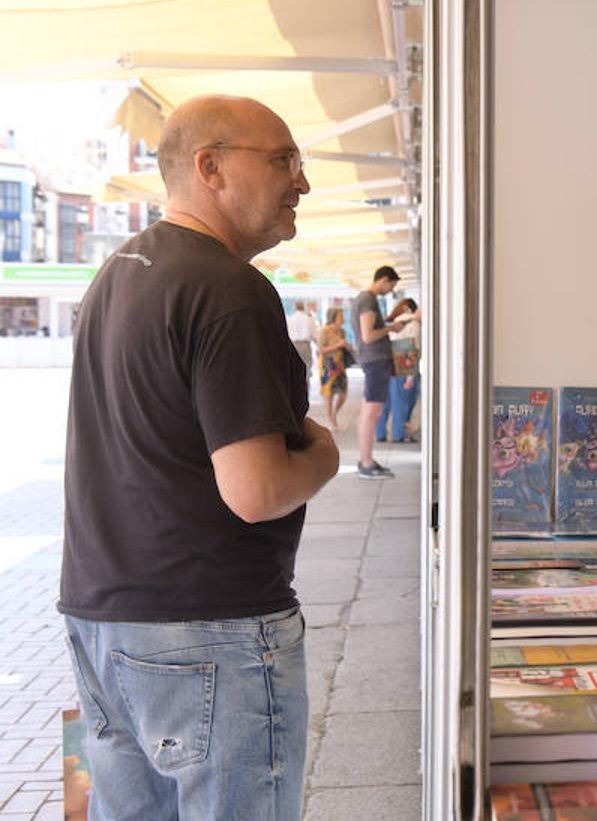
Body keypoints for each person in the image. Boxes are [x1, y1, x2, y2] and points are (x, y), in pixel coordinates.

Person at [58, 95, 340, 820]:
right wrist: (328, 453)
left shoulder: (117, 272)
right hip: (209, 627)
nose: (300, 181)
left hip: (100, 622)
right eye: (281, 159)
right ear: (210, 167)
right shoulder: (230, 291)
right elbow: (257, 490)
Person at [353, 265, 414, 478]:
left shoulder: (364, 299)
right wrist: (392, 328)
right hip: (376, 360)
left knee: (369, 413)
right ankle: (367, 463)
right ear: (384, 280)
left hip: (373, 361)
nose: (390, 290)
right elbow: (368, 335)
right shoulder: (368, 300)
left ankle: (366, 460)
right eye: (392, 285)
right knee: (371, 413)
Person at [378, 297, 421, 444]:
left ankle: (380, 433)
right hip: (404, 362)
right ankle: (399, 434)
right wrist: (411, 376)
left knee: (387, 402)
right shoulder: (414, 324)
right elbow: (412, 349)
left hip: (387, 363)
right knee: (403, 401)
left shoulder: (392, 322)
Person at [318, 306, 354, 430]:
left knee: (343, 393)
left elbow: (343, 346)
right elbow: (321, 350)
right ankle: (330, 420)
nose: (343, 318)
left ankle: (334, 413)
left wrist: (347, 346)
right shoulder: (324, 331)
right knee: (329, 393)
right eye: (340, 316)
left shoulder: (342, 331)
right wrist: (338, 345)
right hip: (327, 365)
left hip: (340, 364)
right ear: (333, 317)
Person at [286, 299, 317, 390]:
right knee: (306, 365)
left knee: (294, 366)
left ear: (295, 307)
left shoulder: (290, 319)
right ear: (303, 307)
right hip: (305, 345)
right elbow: (313, 334)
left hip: (293, 344)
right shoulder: (308, 319)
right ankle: (305, 386)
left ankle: (295, 386)